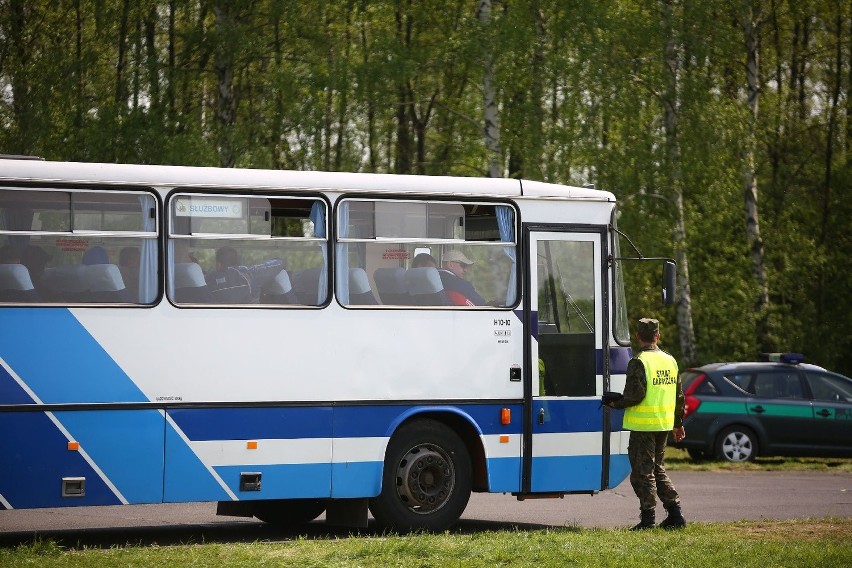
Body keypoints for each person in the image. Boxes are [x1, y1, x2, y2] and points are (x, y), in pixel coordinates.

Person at [604, 317, 686, 530]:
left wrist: (614, 403)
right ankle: (675, 514)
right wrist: (678, 424)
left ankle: (648, 520)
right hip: (664, 425)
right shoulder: (670, 360)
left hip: (643, 427)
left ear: (638, 336)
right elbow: (679, 396)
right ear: (658, 336)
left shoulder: (638, 361)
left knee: (643, 472)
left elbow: (635, 395)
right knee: (658, 469)